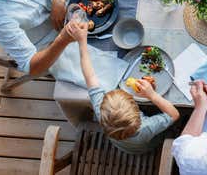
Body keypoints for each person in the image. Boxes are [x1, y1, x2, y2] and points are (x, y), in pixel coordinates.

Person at [67, 21, 180, 153]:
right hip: (144, 147)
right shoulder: (145, 128)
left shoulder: (100, 110)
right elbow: (174, 114)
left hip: (120, 145)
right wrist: (152, 95)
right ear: (137, 112)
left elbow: (89, 75)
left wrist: (82, 42)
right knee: (170, 130)